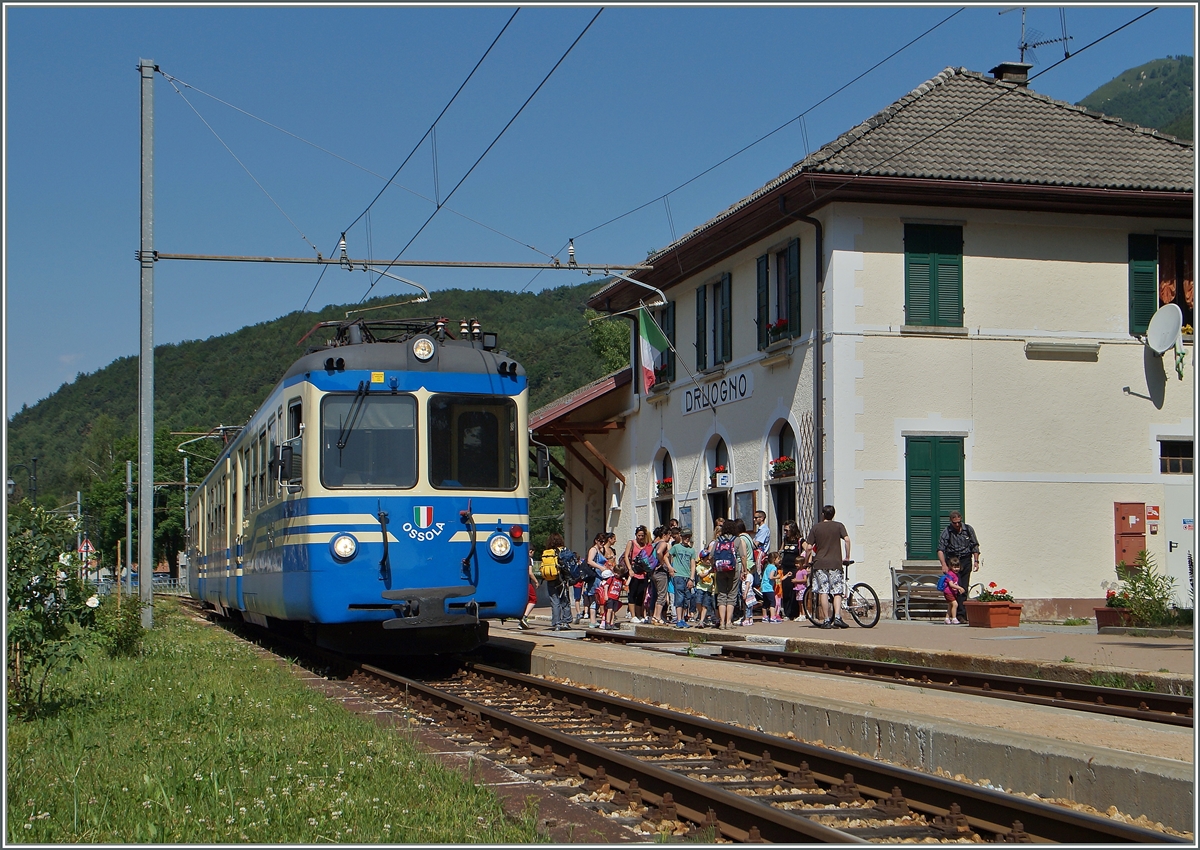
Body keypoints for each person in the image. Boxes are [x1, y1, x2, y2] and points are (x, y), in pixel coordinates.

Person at [806, 504, 852, 629]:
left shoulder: (816, 528)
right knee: (837, 591)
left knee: (823, 591)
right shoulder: (839, 526)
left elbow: (809, 547)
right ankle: (837, 617)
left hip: (820, 563)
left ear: (822, 514)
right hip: (835, 563)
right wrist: (847, 556)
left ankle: (826, 620)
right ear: (833, 514)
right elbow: (847, 540)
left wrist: (806, 561)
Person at [937, 511, 981, 624]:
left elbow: (975, 545)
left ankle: (962, 615)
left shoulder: (968, 529)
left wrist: (976, 561)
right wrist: (944, 564)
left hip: (966, 559)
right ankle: (953, 615)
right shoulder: (947, 532)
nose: (957, 525)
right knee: (954, 588)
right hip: (953, 560)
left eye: (958, 522)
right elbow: (941, 549)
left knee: (963, 587)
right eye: (954, 523)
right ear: (951, 521)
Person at [710, 519, 743, 629]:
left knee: (722, 594)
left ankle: (722, 622)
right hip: (733, 569)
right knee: (732, 595)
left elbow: (711, 556)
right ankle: (729, 622)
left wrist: (714, 566)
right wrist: (745, 570)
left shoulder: (718, 540)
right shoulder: (737, 540)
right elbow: (742, 556)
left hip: (720, 570)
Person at [540, 532, 573, 631]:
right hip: (561, 579)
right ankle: (566, 622)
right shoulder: (563, 551)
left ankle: (557, 623)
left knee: (555, 602)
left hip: (550, 579)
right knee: (565, 600)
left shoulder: (547, 552)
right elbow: (568, 566)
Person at [669, 529, 697, 628]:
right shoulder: (676, 547)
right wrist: (670, 567)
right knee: (679, 598)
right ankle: (679, 619)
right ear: (681, 536)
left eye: (689, 536)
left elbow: (693, 565)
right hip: (678, 576)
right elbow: (667, 556)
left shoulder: (691, 550)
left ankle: (683, 618)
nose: (687, 538)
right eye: (685, 536)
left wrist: (692, 578)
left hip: (687, 576)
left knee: (686, 599)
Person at [623, 526, 651, 623]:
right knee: (632, 594)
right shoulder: (631, 543)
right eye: (639, 535)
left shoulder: (645, 545)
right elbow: (626, 556)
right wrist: (630, 569)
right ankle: (633, 615)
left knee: (640, 594)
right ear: (636, 535)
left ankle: (639, 615)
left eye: (642, 535)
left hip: (643, 572)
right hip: (633, 572)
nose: (640, 537)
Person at [778, 521, 802, 620]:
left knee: (795, 590)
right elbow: (781, 550)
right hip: (785, 567)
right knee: (786, 589)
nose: (785, 532)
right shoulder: (785, 539)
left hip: (794, 568)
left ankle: (795, 612)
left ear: (792, 529)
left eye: (787, 530)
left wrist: (804, 564)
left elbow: (807, 550)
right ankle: (787, 613)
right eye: (784, 530)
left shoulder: (799, 540)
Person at [649, 526, 673, 624]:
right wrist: (663, 563)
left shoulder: (654, 543)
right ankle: (657, 617)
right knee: (662, 595)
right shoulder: (663, 543)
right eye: (669, 535)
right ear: (664, 535)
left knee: (658, 594)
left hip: (653, 572)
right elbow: (659, 552)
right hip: (661, 572)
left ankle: (655, 616)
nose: (670, 537)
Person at [940, 557, 965, 625]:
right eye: (954, 567)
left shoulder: (955, 574)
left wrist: (957, 589)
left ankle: (947, 618)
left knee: (950, 605)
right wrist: (959, 588)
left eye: (958, 567)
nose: (956, 569)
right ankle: (954, 618)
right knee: (955, 604)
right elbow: (951, 584)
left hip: (952, 592)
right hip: (948, 592)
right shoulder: (950, 574)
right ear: (951, 567)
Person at [761, 550, 782, 623]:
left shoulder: (767, 566)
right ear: (774, 560)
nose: (779, 560)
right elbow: (770, 577)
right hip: (769, 588)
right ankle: (773, 617)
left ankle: (764, 617)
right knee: (773, 603)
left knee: (765, 603)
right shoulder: (773, 567)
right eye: (778, 559)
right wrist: (777, 577)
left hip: (764, 588)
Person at [752, 510, 771, 580]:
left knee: (758, 574)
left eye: (756, 518)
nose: (754, 519)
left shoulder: (764, 530)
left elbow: (756, 544)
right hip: (757, 554)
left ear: (762, 518)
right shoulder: (760, 530)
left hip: (760, 554)